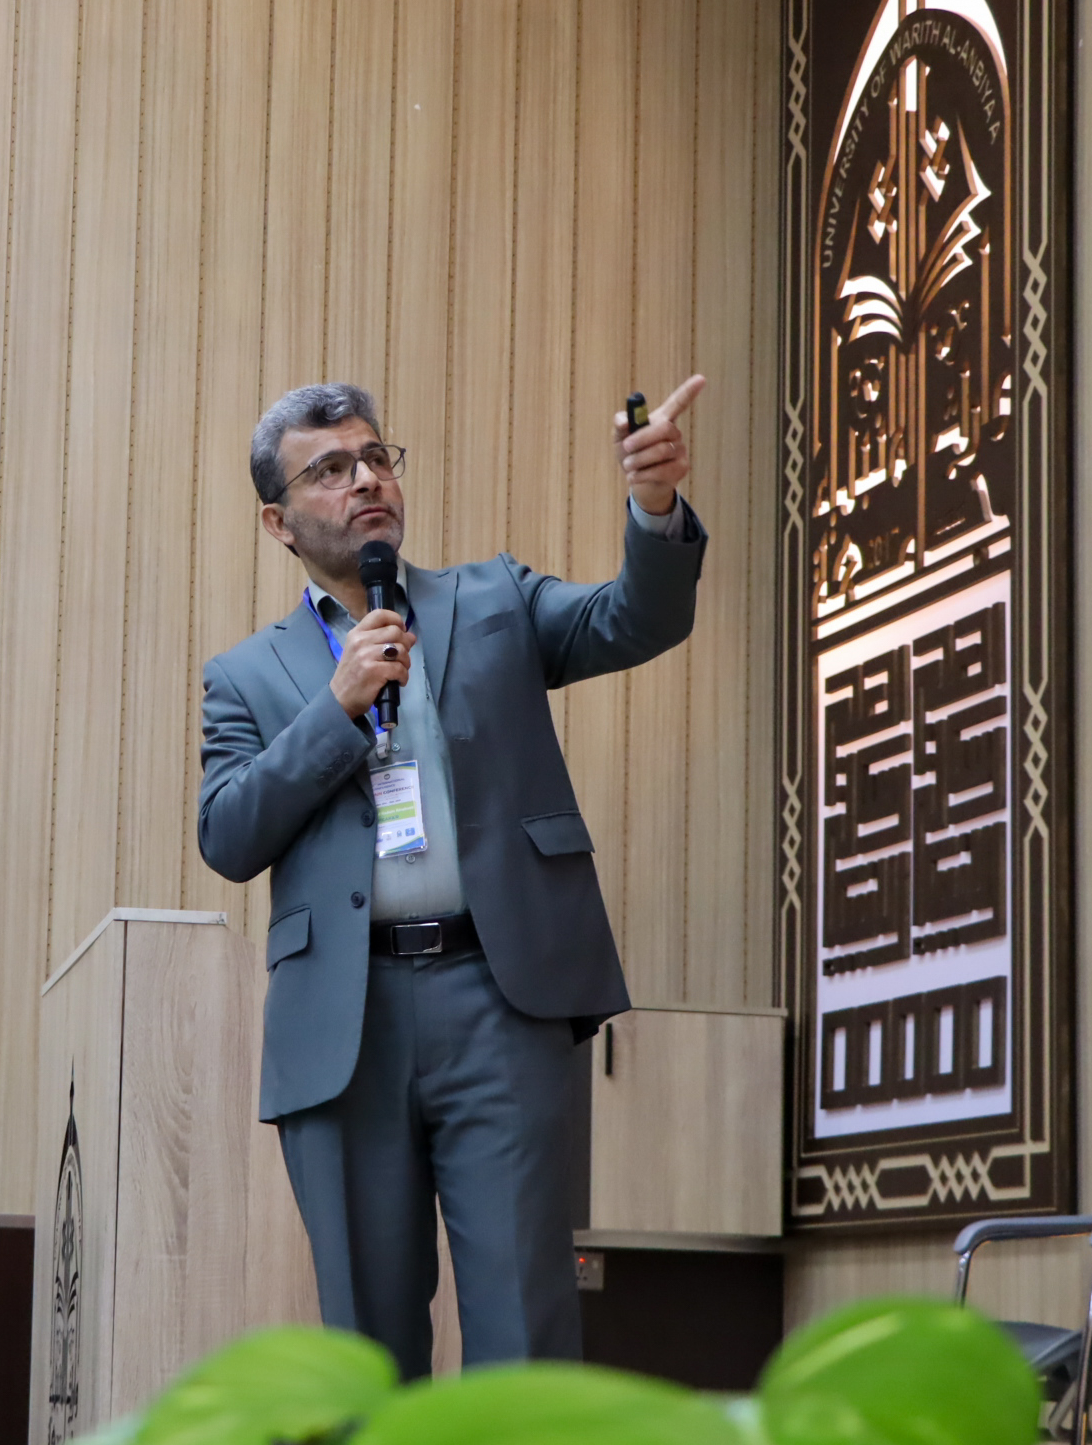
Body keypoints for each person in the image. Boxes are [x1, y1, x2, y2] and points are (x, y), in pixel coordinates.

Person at [196, 376, 708, 1381]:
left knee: (524, 1319)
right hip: (345, 1024)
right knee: (368, 1341)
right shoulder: (246, 676)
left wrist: (653, 508)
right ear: (278, 522)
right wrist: (337, 707)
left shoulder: (493, 599)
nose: (365, 481)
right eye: (330, 469)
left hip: (499, 998)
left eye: (375, 458)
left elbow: (634, 620)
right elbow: (228, 834)